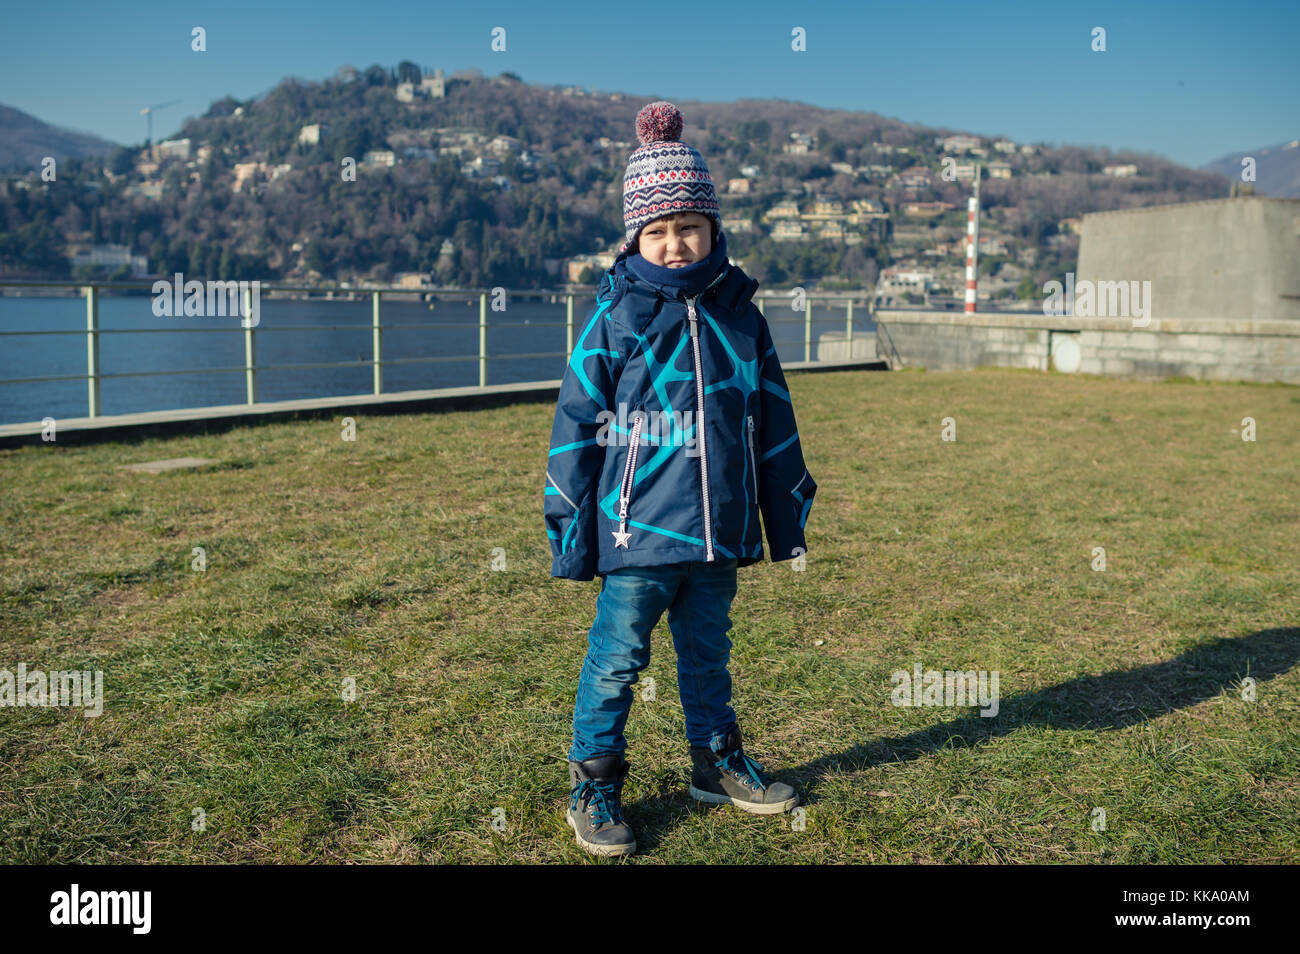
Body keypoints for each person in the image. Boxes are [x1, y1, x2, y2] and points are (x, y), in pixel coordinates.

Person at [544, 102, 817, 857]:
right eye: (657, 231)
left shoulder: (742, 318)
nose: (673, 244)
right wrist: (571, 532)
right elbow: (575, 423)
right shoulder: (616, 316)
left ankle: (714, 762)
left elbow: (776, 423)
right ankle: (594, 785)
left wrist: (784, 518)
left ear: (713, 229)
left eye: (687, 227)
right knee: (617, 660)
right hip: (636, 533)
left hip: (720, 531)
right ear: (635, 236)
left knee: (708, 654)